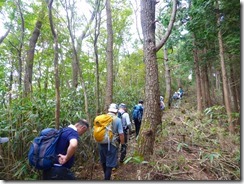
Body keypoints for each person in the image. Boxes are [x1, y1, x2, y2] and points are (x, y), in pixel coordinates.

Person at [97, 103, 125, 180]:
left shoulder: (102, 118)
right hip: (112, 144)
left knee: (103, 161)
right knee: (110, 164)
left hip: (101, 143)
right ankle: (107, 179)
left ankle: (105, 175)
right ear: (116, 111)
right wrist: (123, 144)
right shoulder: (118, 120)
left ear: (109, 110)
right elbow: (121, 134)